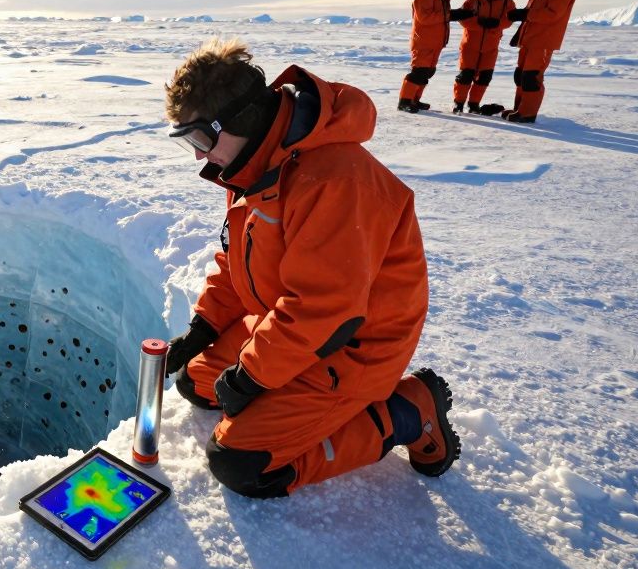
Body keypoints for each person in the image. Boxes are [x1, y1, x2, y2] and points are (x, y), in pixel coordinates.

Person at [162, 39, 459, 498]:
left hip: (354, 348)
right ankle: (271, 387)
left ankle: (406, 410)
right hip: (290, 326)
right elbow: (238, 259)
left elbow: (325, 311)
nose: (200, 157)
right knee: (197, 384)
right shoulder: (253, 163)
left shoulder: (335, 180)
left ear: (239, 119)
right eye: (189, 144)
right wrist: (204, 327)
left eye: (201, 139)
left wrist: (252, 376)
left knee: (240, 464)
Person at [480, 0, 576, 123]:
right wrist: (523, 16)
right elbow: (535, 12)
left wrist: (525, 14)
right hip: (530, 39)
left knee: (532, 77)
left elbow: (552, 14)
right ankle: (520, 109)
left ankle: (527, 113)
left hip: (542, 41)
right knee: (521, 75)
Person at [399, 0, 474, 113]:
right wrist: (450, 15)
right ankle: (404, 101)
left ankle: (414, 99)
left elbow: (440, 17)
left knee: (428, 72)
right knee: (419, 71)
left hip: (435, 42)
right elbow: (424, 18)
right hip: (423, 41)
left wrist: (452, 14)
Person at [451, 0, 517, 114]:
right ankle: (459, 104)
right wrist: (479, 23)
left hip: (491, 47)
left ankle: (474, 104)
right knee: (465, 76)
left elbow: (509, 20)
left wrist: (497, 24)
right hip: (470, 45)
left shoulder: (508, 2)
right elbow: (463, 18)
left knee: (484, 77)